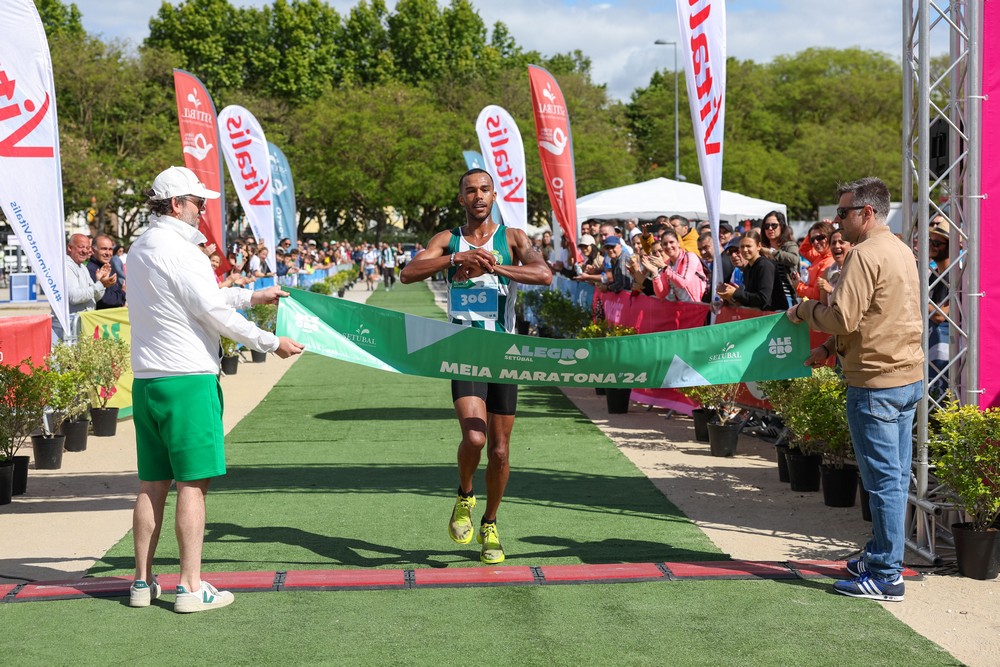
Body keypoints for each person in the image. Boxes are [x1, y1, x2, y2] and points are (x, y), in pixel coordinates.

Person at [127, 166, 304, 613]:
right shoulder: (180, 249)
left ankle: (142, 583)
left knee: (152, 483)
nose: (202, 209)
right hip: (187, 379)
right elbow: (210, 310)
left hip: (148, 380)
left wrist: (252, 296)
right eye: (197, 202)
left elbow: (198, 298)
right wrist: (271, 341)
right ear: (175, 204)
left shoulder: (141, 245)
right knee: (192, 484)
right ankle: (189, 586)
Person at [399, 167, 551, 565]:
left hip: (503, 355)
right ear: (461, 198)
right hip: (464, 351)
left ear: (494, 195)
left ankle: (490, 523)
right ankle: (465, 493)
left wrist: (494, 267)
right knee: (476, 440)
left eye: (485, 189)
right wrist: (458, 257)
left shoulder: (514, 238)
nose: (478, 196)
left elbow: (544, 274)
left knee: (500, 452)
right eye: (471, 190)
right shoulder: (447, 239)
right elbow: (407, 273)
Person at [787, 177, 923, 602]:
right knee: (894, 479)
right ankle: (883, 555)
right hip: (903, 378)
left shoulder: (865, 254)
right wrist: (829, 347)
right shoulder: (900, 249)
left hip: (875, 384)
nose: (836, 221)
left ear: (867, 212)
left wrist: (803, 310)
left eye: (843, 212)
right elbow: (877, 317)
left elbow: (844, 317)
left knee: (883, 482)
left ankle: (886, 575)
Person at [53, 233, 114, 342]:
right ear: (70, 248)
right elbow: (74, 297)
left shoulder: (82, 267)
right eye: (81, 247)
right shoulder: (66, 267)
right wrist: (100, 285)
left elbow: (94, 298)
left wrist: (102, 283)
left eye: (87, 248)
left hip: (80, 328)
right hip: (68, 331)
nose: (85, 251)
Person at [716, 230, 786, 310]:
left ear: (759, 246)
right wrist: (729, 297)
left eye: (748, 246)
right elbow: (750, 300)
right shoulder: (748, 268)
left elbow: (763, 299)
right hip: (759, 318)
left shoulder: (765, 266)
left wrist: (736, 293)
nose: (745, 250)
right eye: (742, 247)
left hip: (774, 318)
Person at [643, 229, 706, 302]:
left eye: (671, 242)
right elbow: (661, 294)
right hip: (681, 308)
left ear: (678, 243)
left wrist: (664, 268)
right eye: (665, 244)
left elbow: (684, 282)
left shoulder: (690, 257)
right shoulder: (666, 263)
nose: (668, 246)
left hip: (698, 305)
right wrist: (655, 274)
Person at [927, 216, 952, 398]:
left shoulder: (955, 277)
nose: (932, 245)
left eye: (937, 242)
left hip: (947, 351)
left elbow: (940, 316)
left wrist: (918, 301)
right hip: (930, 347)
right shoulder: (933, 275)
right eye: (930, 241)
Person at [759, 210, 799, 308]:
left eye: (774, 225)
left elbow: (794, 259)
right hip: (766, 297)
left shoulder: (789, 245)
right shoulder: (761, 248)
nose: (770, 229)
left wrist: (771, 252)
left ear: (781, 226)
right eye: (766, 226)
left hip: (786, 297)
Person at [789, 221, 834, 302]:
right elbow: (804, 249)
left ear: (830, 237)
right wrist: (815, 228)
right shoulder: (819, 256)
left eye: (820, 238)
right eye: (812, 240)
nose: (815, 242)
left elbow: (817, 294)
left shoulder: (830, 261)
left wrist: (798, 286)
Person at [88, 234, 126, 310]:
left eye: (110, 249)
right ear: (93, 250)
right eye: (104, 249)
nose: (108, 253)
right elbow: (104, 299)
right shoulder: (91, 270)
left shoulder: (107, 266)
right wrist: (123, 293)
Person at [816, 229, 852, 306]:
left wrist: (831, 290)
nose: (836, 246)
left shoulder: (857, 269)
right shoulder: (827, 272)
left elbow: (854, 301)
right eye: (833, 243)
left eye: (841, 242)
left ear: (852, 245)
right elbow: (823, 305)